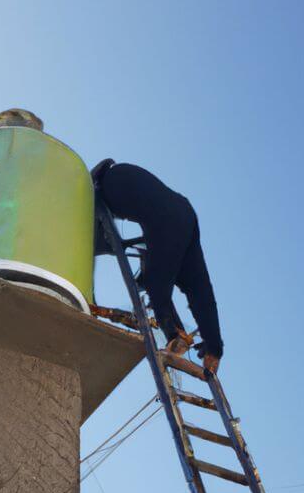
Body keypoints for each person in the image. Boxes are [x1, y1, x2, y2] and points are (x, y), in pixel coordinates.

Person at [92, 159, 223, 374]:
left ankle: (176, 334)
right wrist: (214, 344)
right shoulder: (166, 221)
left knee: (161, 284)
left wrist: (203, 342)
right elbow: (199, 291)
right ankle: (188, 338)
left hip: (122, 185)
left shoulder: (106, 191)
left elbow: (161, 284)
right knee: (186, 285)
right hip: (180, 209)